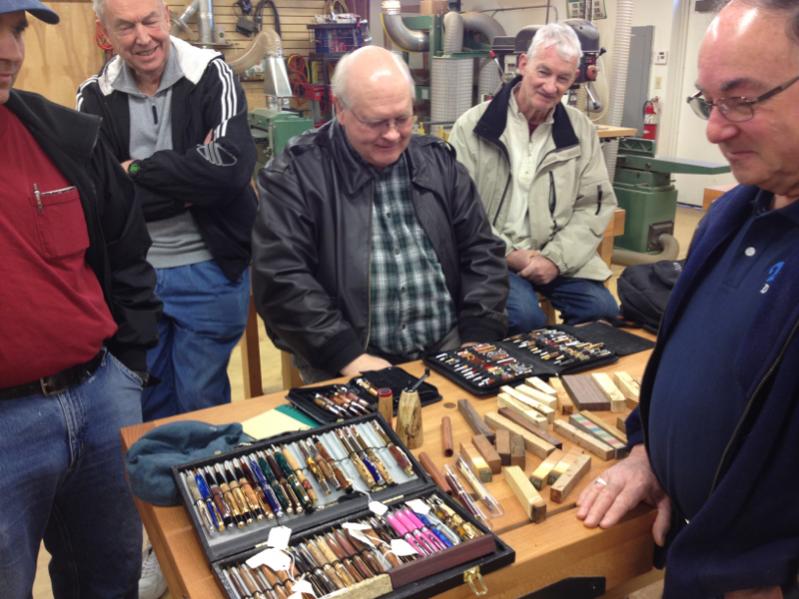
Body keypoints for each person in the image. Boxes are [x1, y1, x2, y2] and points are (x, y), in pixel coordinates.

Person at [576, 1, 799, 597]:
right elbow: (685, 363)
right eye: (709, 102)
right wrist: (650, 452)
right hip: (699, 555)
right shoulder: (731, 213)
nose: (715, 129)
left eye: (742, 100)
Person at [0, 1, 161, 597]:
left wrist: (127, 370)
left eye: (16, 31)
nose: (11, 52)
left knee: (111, 578)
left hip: (99, 400)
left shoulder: (64, 136)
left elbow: (127, 248)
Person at [252, 45, 508, 383]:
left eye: (402, 119)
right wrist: (346, 355)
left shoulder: (438, 164)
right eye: (375, 122)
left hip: (449, 348)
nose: (391, 134)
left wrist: (477, 333)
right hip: (346, 359)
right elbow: (282, 278)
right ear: (340, 109)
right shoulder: (296, 175)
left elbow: (482, 251)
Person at [77, 0, 257, 421]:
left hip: (212, 270)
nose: (142, 37)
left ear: (167, 17)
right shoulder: (94, 95)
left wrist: (136, 170)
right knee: (148, 405)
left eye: (150, 21)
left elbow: (231, 170)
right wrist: (192, 183)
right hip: (135, 278)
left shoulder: (211, 74)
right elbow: (101, 196)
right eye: (126, 27)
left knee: (202, 401)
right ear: (105, 32)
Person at [449, 23, 619, 334]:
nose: (551, 86)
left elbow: (593, 206)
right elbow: (462, 211)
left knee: (602, 310)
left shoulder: (581, 131)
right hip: (493, 256)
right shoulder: (472, 126)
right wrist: (510, 255)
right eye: (544, 72)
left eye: (562, 78)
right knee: (525, 318)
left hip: (558, 255)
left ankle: (567, 365)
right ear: (523, 64)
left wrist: (554, 260)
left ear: (573, 80)